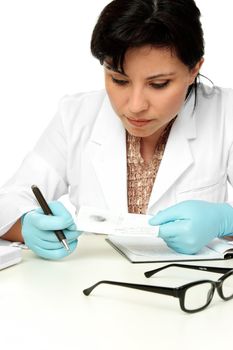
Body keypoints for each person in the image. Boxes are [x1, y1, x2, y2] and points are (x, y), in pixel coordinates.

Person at [1, 0, 233, 260]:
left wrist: (226, 220)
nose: (135, 106)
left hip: (192, 289)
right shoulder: (76, 115)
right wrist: (28, 223)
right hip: (92, 288)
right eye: (119, 80)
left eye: (158, 84)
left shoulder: (226, 113)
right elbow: (9, 200)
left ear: (194, 70)